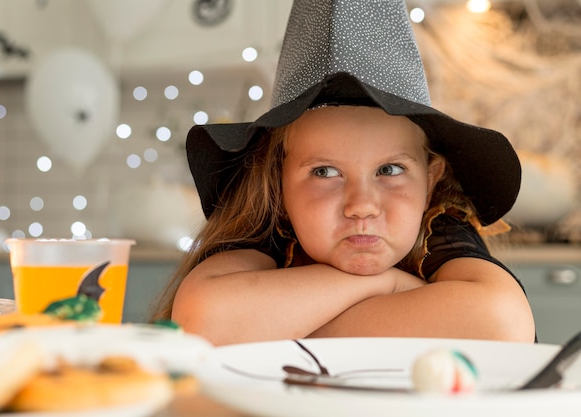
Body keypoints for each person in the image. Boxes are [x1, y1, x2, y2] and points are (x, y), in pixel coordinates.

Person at [148, 0, 535, 346]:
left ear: (431, 179)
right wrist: (387, 284)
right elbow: (203, 320)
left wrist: (272, 330)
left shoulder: (437, 223)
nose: (362, 206)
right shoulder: (273, 227)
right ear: (278, 183)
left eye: (390, 169)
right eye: (325, 172)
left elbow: (501, 322)